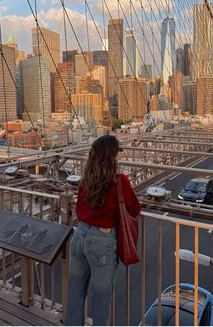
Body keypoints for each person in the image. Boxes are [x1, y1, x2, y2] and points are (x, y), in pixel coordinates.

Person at [64, 134, 141, 326]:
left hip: (80, 234)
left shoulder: (86, 178)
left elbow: (81, 207)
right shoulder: (120, 181)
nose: (120, 157)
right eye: (118, 153)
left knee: (75, 292)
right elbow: (134, 208)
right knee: (101, 299)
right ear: (112, 155)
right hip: (102, 240)